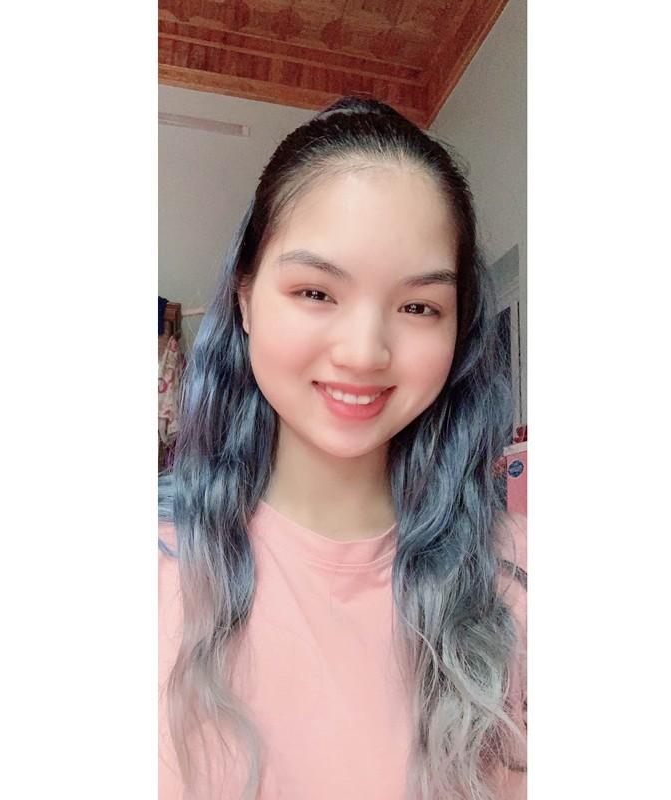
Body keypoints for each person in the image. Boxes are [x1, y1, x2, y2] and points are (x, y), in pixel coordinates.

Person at [158, 95, 527, 800]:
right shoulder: (157, 569)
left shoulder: (520, 579)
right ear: (245, 297)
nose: (364, 352)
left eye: (418, 307)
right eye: (316, 292)